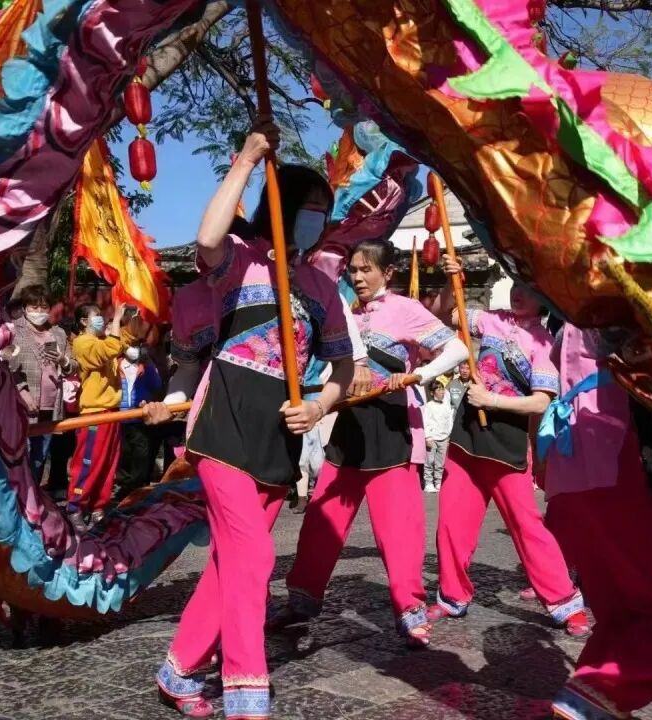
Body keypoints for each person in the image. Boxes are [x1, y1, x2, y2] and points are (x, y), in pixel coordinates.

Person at [141, 116, 356, 719]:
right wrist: (247, 157)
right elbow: (207, 236)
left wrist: (318, 406)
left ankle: (179, 670)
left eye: (324, 211)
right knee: (257, 557)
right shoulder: (240, 260)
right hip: (225, 420)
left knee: (231, 562)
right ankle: (245, 688)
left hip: (280, 431)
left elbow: (343, 368)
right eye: (308, 208)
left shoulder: (322, 287)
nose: (317, 218)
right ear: (279, 209)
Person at [270, 239, 469, 648]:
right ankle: (301, 601)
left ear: (388, 273)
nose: (358, 277)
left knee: (399, 530)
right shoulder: (344, 310)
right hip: (349, 429)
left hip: (392, 427)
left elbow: (457, 349)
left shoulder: (406, 309)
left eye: (367, 270)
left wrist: (417, 376)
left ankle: (409, 611)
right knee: (321, 522)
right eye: (354, 270)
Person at [540, 323, 652, 719]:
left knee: (624, 615)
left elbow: (558, 354)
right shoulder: (615, 306)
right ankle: (597, 696)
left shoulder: (570, 318)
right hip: (616, 461)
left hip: (570, 472)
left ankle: (590, 697)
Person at [426, 256, 587, 635]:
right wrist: (452, 281)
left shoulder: (544, 344)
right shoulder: (491, 320)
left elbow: (541, 402)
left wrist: (492, 400)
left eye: (528, 289)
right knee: (451, 522)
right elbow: (445, 315)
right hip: (466, 437)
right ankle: (452, 596)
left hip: (508, 444)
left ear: (544, 299)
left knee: (527, 526)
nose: (518, 293)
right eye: (516, 285)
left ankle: (565, 603)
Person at [65, 302, 137, 527]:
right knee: (89, 462)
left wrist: (129, 318)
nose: (102, 319)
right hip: (94, 413)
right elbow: (107, 351)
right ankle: (76, 506)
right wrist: (115, 321)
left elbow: (127, 341)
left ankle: (99, 506)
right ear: (83, 321)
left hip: (112, 411)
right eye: (96, 316)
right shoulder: (82, 342)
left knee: (108, 463)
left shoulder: (104, 339)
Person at [7, 285, 75, 484]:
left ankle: (34, 494)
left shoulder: (58, 333)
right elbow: (6, 366)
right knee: (22, 453)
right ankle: (19, 495)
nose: (39, 312)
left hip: (51, 406)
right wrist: (22, 392)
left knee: (40, 456)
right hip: (23, 404)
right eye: (34, 307)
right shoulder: (13, 331)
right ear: (25, 308)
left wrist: (63, 360)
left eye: (43, 307)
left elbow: (73, 367)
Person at [115, 338, 163, 500]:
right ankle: (124, 484)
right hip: (120, 416)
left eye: (137, 346)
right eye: (130, 346)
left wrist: (148, 363)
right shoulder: (115, 365)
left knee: (141, 453)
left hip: (140, 417)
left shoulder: (147, 367)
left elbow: (156, 385)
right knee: (123, 452)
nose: (134, 349)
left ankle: (137, 486)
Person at [422, 381, 454, 492]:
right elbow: (426, 422)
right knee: (429, 461)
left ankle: (438, 482)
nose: (442, 392)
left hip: (444, 438)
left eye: (442, 389)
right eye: (438, 389)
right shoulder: (429, 406)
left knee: (440, 462)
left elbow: (449, 421)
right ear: (432, 393)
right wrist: (427, 437)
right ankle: (428, 482)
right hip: (432, 438)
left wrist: (448, 434)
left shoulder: (446, 405)